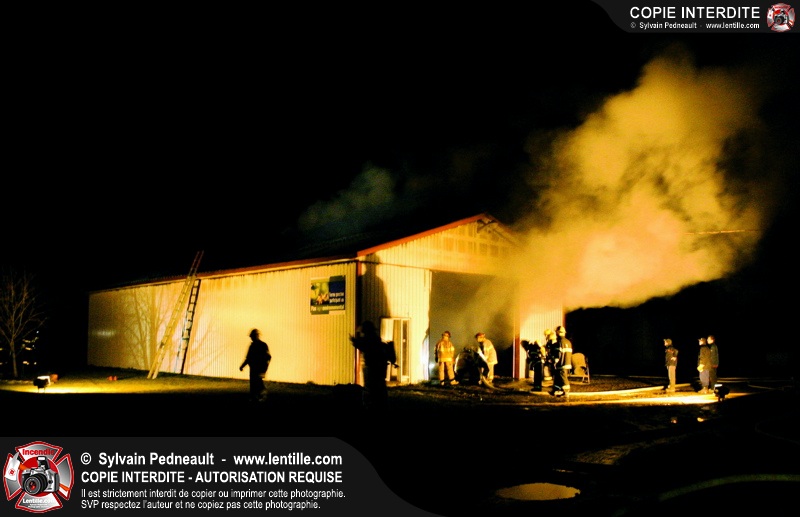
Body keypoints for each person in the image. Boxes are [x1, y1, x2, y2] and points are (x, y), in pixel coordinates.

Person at [350, 321, 391, 411]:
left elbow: (364, 346)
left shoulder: (370, 339)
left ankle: (372, 407)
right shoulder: (376, 339)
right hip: (379, 367)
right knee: (380, 388)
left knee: (371, 388)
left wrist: (354, 341)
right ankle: (382, 407)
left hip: (372, 367)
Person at [239, 328, 271, 402]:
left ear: (256, 336)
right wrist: (242, 366)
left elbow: (268, 357)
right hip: (255, 369)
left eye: (252, 336)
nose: (251, 338)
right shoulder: (256, 346)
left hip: (258, 369)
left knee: (257, 383)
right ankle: (256, 397)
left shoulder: (261, 345)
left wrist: (264, 369)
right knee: (255, 383)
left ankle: (260, 396)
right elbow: (248, 358)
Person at [552, 325, 572, 397]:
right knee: (559, 377)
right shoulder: (568, 342)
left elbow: (558, 353)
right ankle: (557, 390)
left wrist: (555, 361)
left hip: (561, 364)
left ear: (558, 332)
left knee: (563, 378)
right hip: (567, 363)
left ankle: (566, 392)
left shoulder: (560, 342)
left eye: (556, 332)